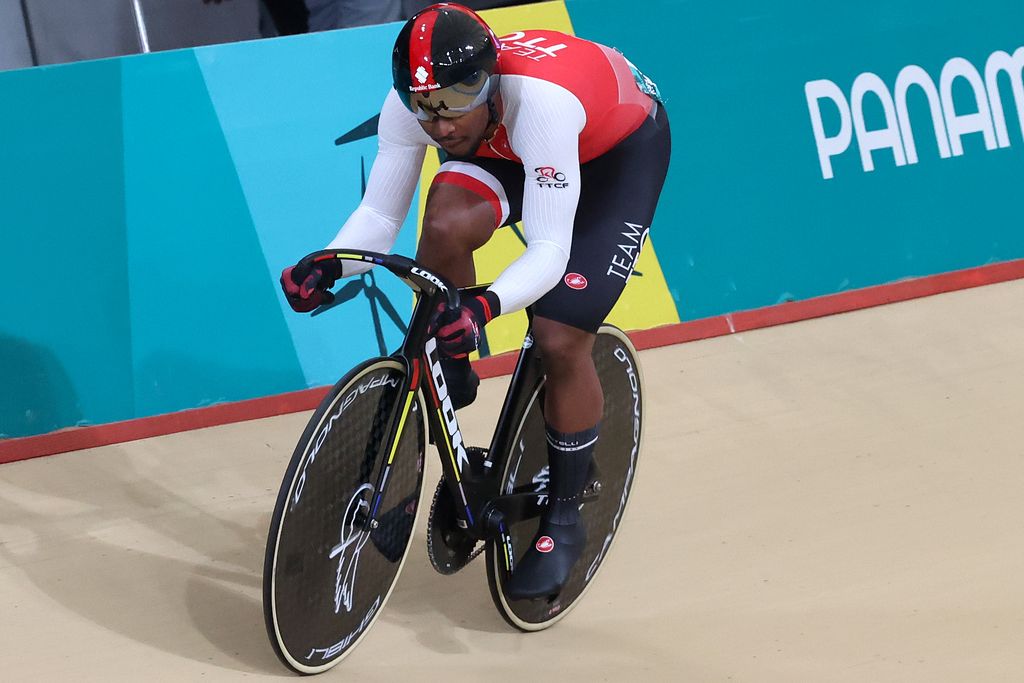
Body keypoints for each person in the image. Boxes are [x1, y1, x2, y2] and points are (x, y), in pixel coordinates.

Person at [281, 2, 670, 600]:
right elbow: (380, 214)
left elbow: (549, 249)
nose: (441, 126)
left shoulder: (538, 103)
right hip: (512, 148)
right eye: (426, 107)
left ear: (489, 81)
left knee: (559, 336)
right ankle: (455, 369)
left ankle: (564, 518)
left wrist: (484, 306)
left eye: (456, 103)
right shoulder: (422, 106)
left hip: (612, 156)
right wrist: (330, 259)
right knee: (442, 225)